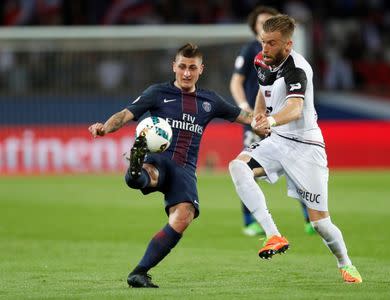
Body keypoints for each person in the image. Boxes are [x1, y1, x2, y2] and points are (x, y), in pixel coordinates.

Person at [88, 43, 254, 288]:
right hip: (159, 159)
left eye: (192, 68)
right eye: (182, 67)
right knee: (150, 174)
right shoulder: (157, 93)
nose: (187, 73)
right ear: (174, 67)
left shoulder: (210, 100)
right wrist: (105, 127)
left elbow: (244, 117)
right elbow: (125, 115)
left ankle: (139, 272)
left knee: (184, 216)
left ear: (201, 70)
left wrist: (269, 121)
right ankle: (136, 171)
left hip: (185, 169)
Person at [228, 15, 362, 283]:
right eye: (263, 42)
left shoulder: (297, 68)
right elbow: (261, 91)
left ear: (288, 45)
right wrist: (258, 118)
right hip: (277, 141)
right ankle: (272, 234)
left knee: (320, 224)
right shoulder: (260, 60)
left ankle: (345, 263)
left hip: (306, 147)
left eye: (272, 43)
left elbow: (295, 108)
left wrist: (272, 119)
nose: (265, 48)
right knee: (237, 167)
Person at [230, 6, 314, 237]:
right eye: (261, 24)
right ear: (255, 28)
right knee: (244, 167)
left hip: (281, 118)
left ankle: (311, 217)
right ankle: (251, 221)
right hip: (257, 119)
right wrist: (246, 109)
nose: (264, 28)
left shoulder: (290, 61)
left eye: (269, 23)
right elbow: (237, 82)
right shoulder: (250, 51)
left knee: (296, 167)